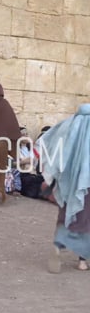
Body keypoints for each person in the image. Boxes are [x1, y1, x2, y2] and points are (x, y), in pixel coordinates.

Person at [42, 104, 90, 273]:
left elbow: (48, 141)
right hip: (86, 183)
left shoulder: (69, 124)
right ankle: (82, 261)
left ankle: (57, 247)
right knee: (85, 219)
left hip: (66, 182)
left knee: (65, 216)